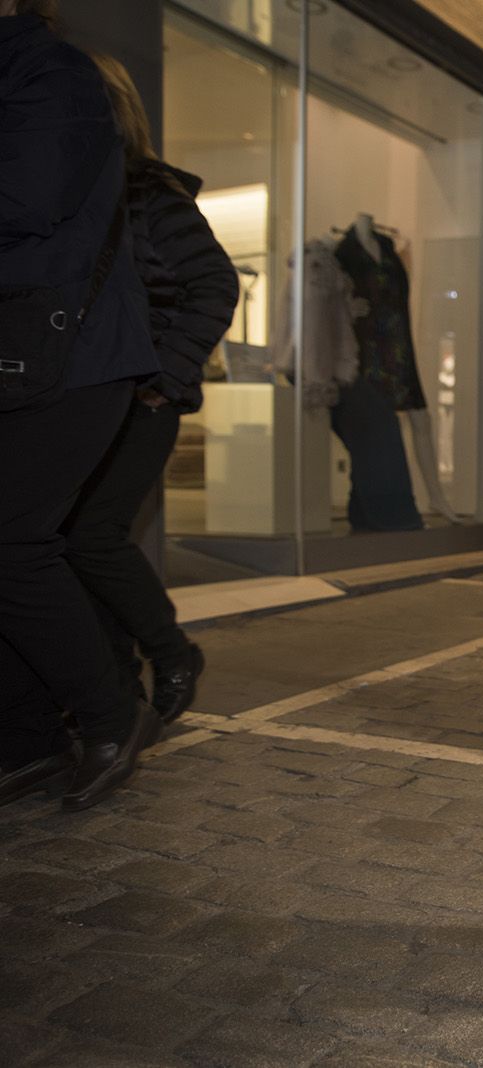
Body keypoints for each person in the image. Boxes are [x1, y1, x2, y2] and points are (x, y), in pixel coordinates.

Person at [1, 0, 163, 811]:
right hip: (29, 356)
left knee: (13, 543)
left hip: (72, 359)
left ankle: (112, 712)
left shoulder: (51, 73)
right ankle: (29, 738)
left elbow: (23, 201)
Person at [62, 54, 238, 724]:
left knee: (90, 537)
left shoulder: (148, 191)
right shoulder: (74, 194)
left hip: (140, 399)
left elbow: (215, 284)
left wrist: (165, 376)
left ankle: (171, 654)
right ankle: (119, 690)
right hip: (82, 397)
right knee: (70, 542)